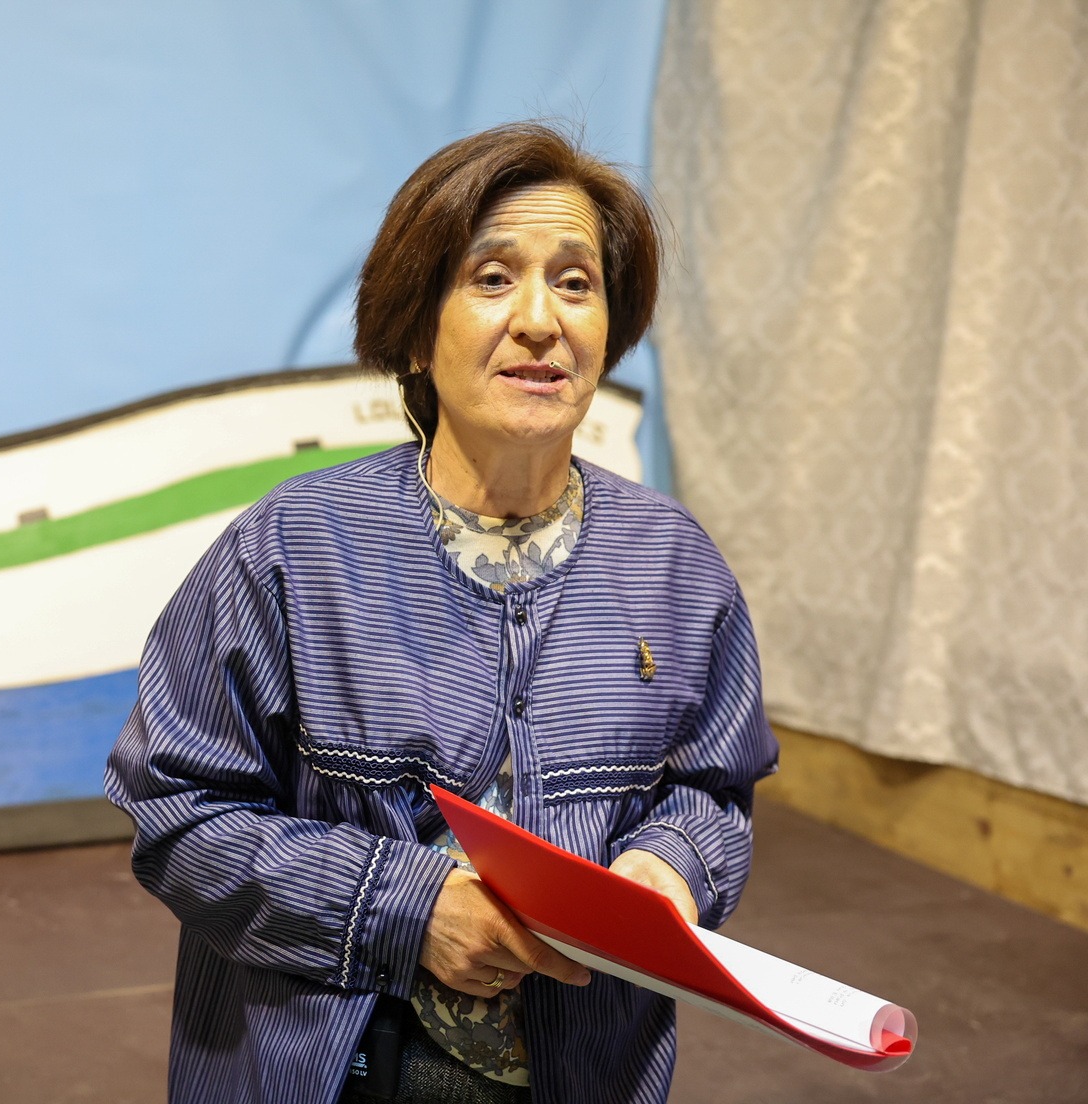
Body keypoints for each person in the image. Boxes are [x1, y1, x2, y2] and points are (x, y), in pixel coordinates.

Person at [105, 122, 777, 1104]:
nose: (540, 320)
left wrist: (670, 868)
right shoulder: (294, 549)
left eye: (576, 282)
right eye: (493, 278)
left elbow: (715, 792)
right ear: (418, 333)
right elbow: (177, 813)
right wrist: (409, 909)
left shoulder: (675, 564)